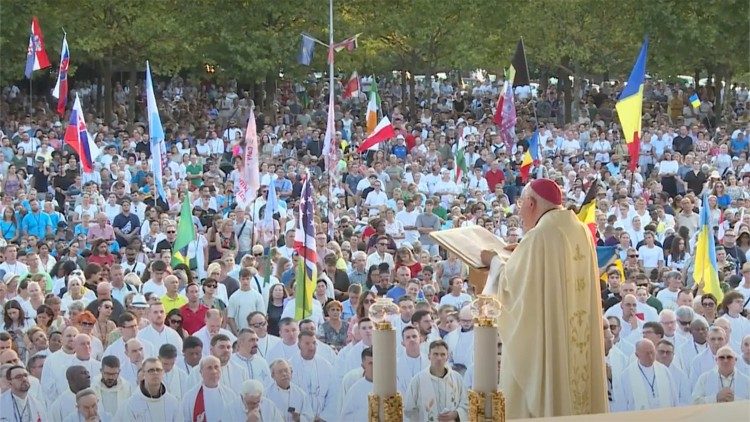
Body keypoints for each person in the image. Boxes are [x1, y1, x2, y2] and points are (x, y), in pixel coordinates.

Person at [481, 178, 607, 418]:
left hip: (552, 339)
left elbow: (513, 286)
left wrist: (494, 261)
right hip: (576, 337)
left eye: (520, 205)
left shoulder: (539, 236)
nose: (519, 212)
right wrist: (522, 252)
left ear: (530, 203)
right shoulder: (579, 229)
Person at [404, 339, 468, 421]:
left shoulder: (457, 378)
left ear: (447, 357)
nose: (439, 358)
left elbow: (466, 403)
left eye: (442, 354)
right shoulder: (417, 381)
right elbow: (409, 410)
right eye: (435, 354)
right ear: (429, 356)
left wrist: (456, 414)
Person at [617, 339, 678, 411]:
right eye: (646, 353)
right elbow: (622, 405)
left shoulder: (664, 371)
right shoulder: (626, 376)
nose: (650, 356)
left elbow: (674, 398)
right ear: (637, 355)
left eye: (652, 352)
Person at [289, 330, 336, 421]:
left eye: (314, 343)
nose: (311, 347)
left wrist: (323, 416)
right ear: (299, 345)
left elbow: (333, 394)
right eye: (307, 343)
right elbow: (287, 395)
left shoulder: (326, 366)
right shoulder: (290, 366)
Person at [115, 357, 181, 421]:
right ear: (143, 374)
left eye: (158, 370)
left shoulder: (173, 403)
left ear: (163, 373)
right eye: (151, 370)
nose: (155, 373)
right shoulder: (131, 404)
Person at [181, 355, 243, 422]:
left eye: (216, 367)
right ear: (201, 372)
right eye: (209, 368)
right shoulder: (190, 397)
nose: (214, 371)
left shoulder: (230, 395)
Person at [91, 355, 132, 419]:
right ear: (101, 371)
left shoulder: (127, 388)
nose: (110, 377)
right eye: (107, 373)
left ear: (119, 372)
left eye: (114, 374)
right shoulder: (92, 388)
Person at [340, 347, 374, 421]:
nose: (374, 367)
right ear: (363, 366)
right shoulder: (355, 390)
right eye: (370, 363)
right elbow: (345, 417)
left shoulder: (390, 386)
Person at [396, 325, 429, 395]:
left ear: (421, 339)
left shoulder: (430, 362)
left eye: (414, 336)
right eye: (408, 337)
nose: (411, 339)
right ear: (403, 343)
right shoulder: (395, 365)